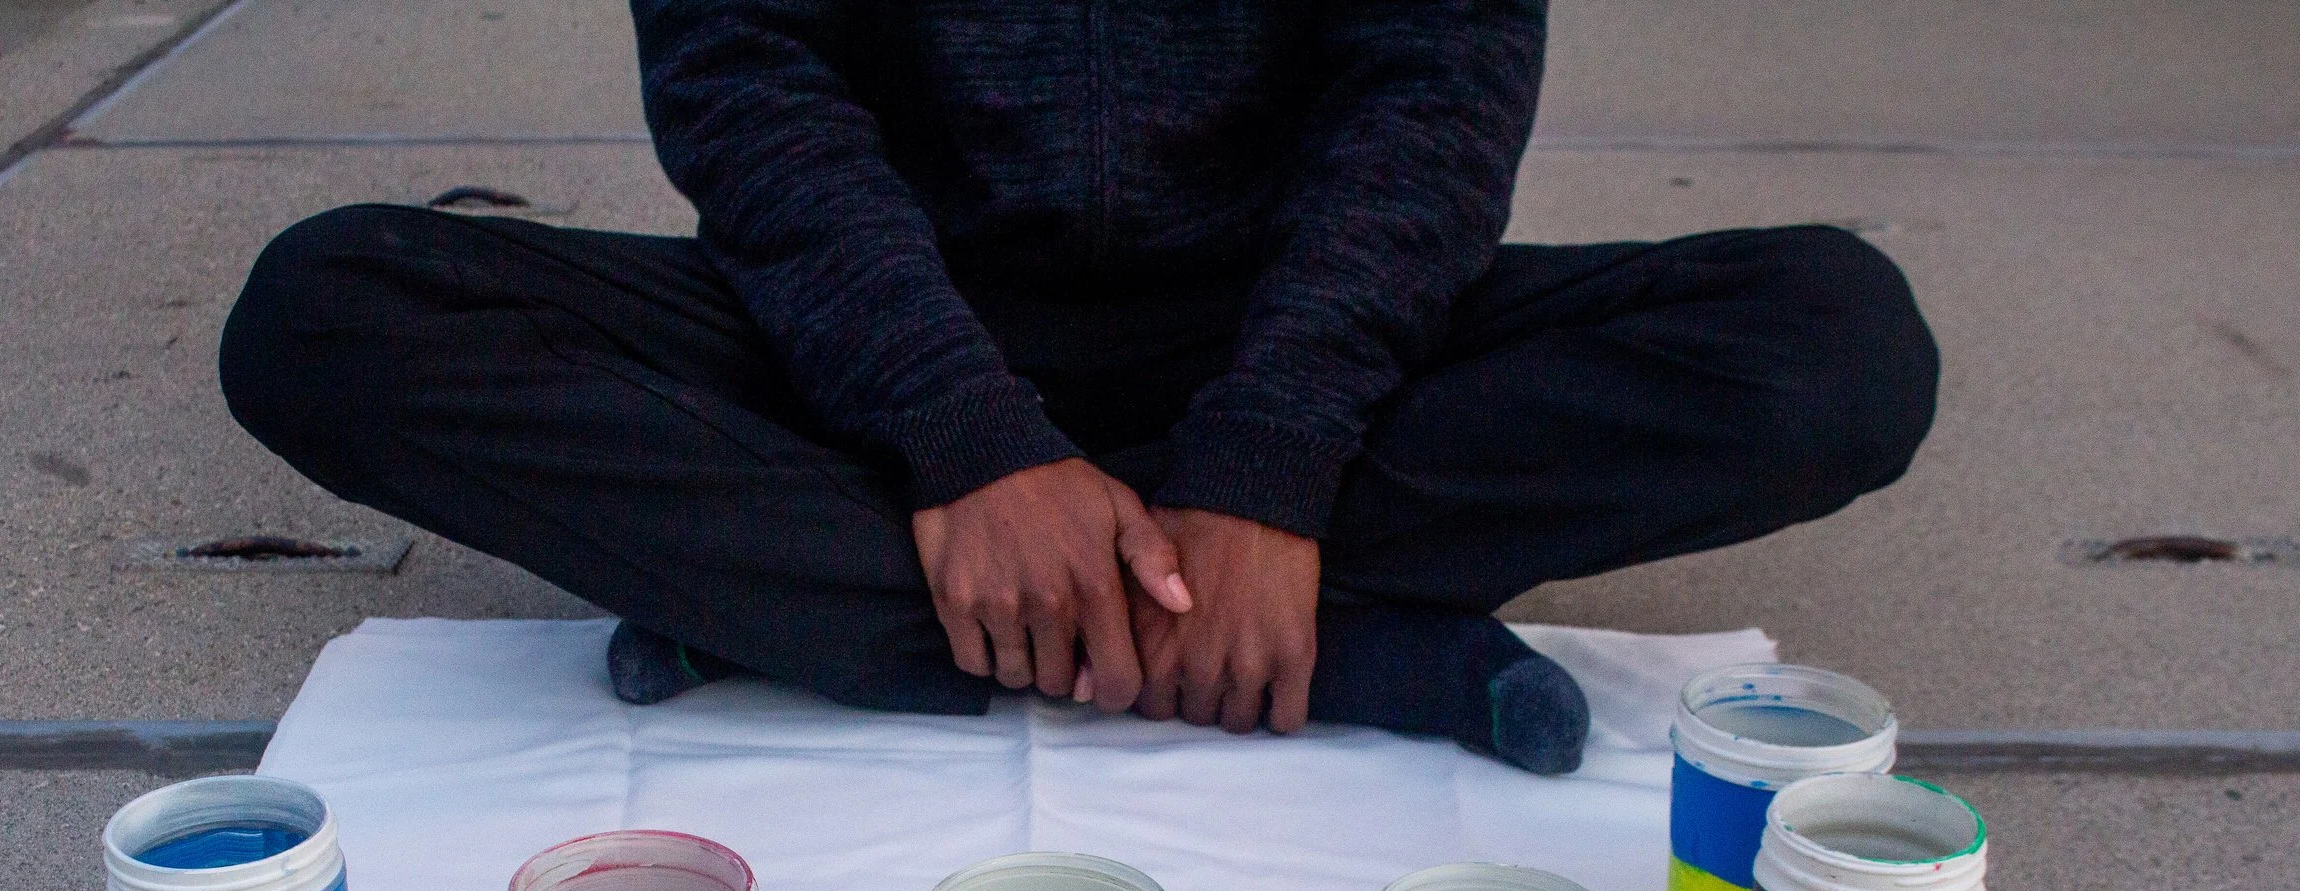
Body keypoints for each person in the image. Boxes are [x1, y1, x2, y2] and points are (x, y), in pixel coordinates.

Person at [219, 1, 1937, 776]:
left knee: (1831, 342)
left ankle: (824, 606)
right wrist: (961, 431)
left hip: (1294, 349)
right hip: (891, 345)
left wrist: (1267, 462)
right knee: (331, 312)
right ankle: (1323, 644)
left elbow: (1437, 88)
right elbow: (749, 87)